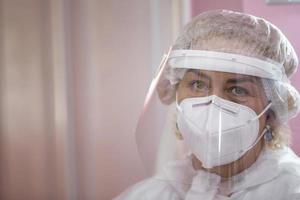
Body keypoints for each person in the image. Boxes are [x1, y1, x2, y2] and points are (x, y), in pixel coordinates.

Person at [114, 10, 300, 200]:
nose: (214, 104)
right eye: (198, 84)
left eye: (237, 90)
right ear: (175, 91)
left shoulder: (292, 190)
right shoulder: (150, 194)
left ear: (272, 110)